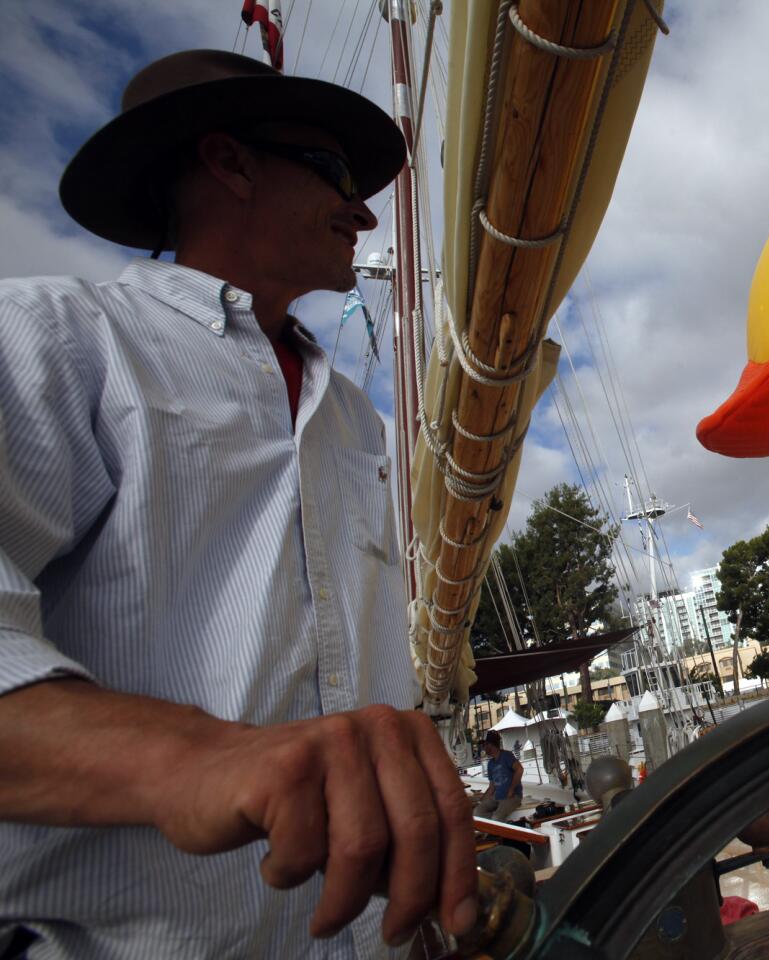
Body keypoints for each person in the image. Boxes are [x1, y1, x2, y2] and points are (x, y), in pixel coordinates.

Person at [0, 51, 477, 958]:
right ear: (230, 162)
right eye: (337, 172)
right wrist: (186, 756)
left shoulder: (350, 417)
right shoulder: (56, 343)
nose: (365, 210)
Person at [474, 731, 526, 821]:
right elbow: (492, 787)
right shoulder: (490, 763)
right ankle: (494, 825)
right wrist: (480, 801)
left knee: (497, 817)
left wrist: (511, 789)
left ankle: (496, 827)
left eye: (485, 745)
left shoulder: (507, 756)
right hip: (497, 797)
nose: (483, 748)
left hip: (513, 797)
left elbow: (519, 769)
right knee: (476, 812)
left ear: (491, 745)